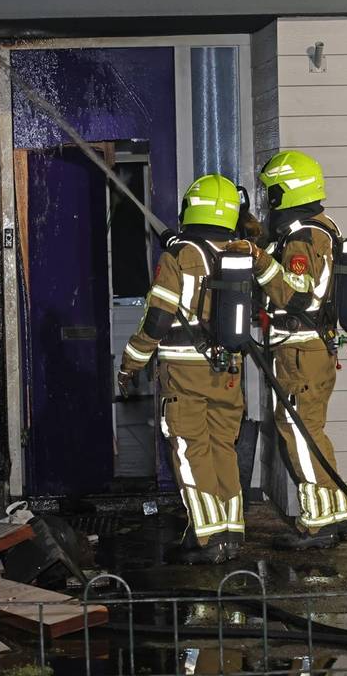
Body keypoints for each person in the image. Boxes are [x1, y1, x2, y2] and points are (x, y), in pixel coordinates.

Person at [117, 174, 245, 565]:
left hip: (186, 373)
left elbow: (158, 318)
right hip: (229, 370)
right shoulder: (237, 253)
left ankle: (206, 538)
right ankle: (230, 532)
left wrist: (131, 362)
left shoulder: (179, 258)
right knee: (223, 448)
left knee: (191, 449)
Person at [230, 150, 347, 550]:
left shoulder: (303, 236)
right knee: (310, 431)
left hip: (301, 353)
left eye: (273, 191)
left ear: (286, 190)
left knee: (300, 433)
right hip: (307, 350)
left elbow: (298, 296)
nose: (271, 200)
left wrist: (258, 259)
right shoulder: (318, 227)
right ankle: (335, 515)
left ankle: (318, 525)